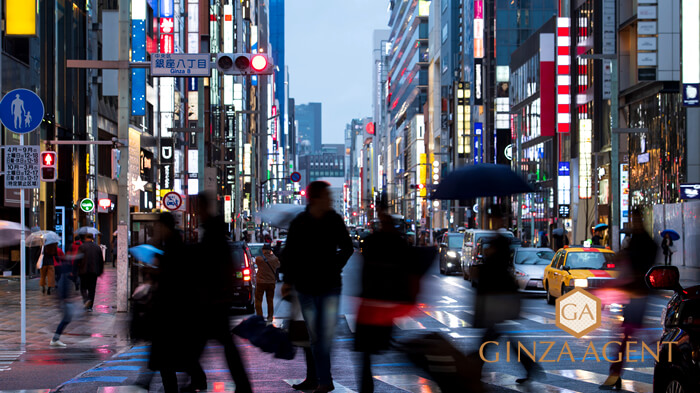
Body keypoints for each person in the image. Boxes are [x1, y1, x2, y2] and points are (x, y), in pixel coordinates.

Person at [280, 181, 353, 393]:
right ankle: (322, 379)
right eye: (327, 195)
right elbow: (290, 253)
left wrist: (334, 266)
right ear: (316, 198)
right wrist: (287, 280)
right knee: (315, 336)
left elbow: (347, 247)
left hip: (330, 285)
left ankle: (323, 379)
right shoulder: (300, 222)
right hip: (306, 287)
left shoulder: (334, 220)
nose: (330, 199)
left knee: (324, 335)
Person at [471, 206, 542, 388]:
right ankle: (530, 367)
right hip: (498, 296)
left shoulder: (501, 241)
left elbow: (499, 267)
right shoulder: (495, 240)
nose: (493, 222)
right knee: (500, 338)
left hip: (499, 297)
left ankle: (475, 371)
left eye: (494, 218)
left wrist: (489, 256)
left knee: (488, 339)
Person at [188, 192, 252, 393]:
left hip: (212, 299)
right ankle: (241, 385)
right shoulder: (214, 231)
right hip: (215, 298)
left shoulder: (212, 234)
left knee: (197, 345)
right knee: (220, 345)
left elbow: (212, 265)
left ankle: (197, 380)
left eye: (197, 207)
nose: (196, 212)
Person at [141, 213, 206, 393]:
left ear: (165, 227)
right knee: (172, 358)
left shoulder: (174, 247)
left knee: (168, 358)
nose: (157, 230)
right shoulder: (171, 246)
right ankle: (195, 379)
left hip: (173, 312)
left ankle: (194, 380)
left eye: (159, 226)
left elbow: (174, 277)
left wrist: (156, 272)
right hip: (173, 312)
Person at [355, 207, 413, 393]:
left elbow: (363, 267)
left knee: (366, 352)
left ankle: (366, 388)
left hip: (370, 302)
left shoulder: (372, 242)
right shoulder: (398, 243)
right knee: (389, 346)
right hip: (388, 303)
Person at [600, 208, 657, 390]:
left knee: (627, 336)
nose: (634, 222)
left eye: (635, 218)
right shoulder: (639, 241)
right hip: (633, 294)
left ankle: (615, 374)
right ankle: (615, 374)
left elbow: (639, 265)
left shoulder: (643, 242)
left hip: (637, 294)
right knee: (631, 335)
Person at [50, 243, 74, 347]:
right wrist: (64, 298)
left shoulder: (65, 264)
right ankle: (55, 339)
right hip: (64, 299)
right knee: (66, 318)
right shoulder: (65, 266)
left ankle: (56, 338)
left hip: (64, 297)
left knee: (67, 318)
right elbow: (63, 283)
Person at [76, 233, 104, 312]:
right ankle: (89, 306)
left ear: (85, 238)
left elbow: (78, 258)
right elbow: (101, 261)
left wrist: (75, 269)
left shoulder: (82, 247)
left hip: (83, 271)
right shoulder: (97, 247)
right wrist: (100, 271)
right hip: (94, 271)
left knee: (83, 287)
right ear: (92, 238)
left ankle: (86, 300)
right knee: (92, 289)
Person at [255, 243, 280, 322]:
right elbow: (278, 265)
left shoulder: (259, 259)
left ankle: (259, 317)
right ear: (270, 251)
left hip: (261, 282)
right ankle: (270, 317)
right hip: (271, 282)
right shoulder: (275, 259)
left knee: (258, 300)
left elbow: (257, 263)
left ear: (263, 250)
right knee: (270, 300)